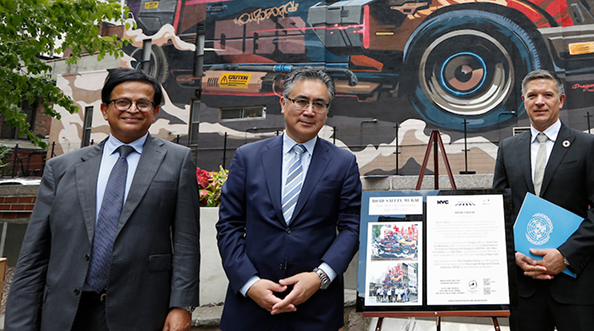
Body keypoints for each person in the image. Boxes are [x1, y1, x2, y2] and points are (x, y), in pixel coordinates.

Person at [5, 69, 200, 331]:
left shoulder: (177, 161)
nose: (133, 109)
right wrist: (19, 323)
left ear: (155, 112)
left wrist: (182, 305)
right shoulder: (62, 167)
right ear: (105, 110)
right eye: (122, 102)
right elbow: (35, 253)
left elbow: (186, 242)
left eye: (143, 103)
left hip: (141, 310)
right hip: (66, 311)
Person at [216, 66, 361, 330]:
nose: (309, 111)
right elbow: (229, 226)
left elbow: (352, 228)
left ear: (327, 111)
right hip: (251, 305)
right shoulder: (248, 157)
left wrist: (320, 277)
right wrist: (250, 283)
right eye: (301, 101)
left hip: (316, 307)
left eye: (319, 104)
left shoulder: (343, 163)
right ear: (283, 103)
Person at [493, 70, 594, 331]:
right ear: (523, 100)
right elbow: (500, 212)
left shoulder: (587, 145)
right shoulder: (507, 149)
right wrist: (514, 254)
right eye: (532, 95)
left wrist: (565, 255)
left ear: (560, 100)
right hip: (525, 285)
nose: (540, 101)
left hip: (577, 284)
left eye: (547, 95)